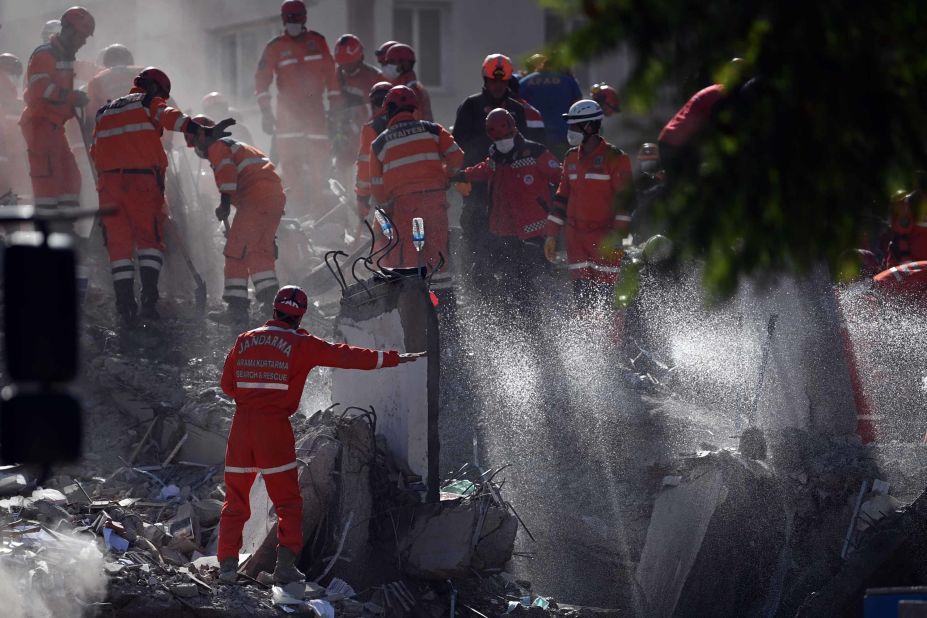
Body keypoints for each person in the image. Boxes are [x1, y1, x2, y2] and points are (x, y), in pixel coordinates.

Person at [217, 284, 425, 584]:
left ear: (273, 309)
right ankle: (285, 566)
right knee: (288, 502)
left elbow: (227, 386)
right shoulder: (301, 343)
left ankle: (226, 567)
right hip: (273, 430)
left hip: (241, 429)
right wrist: (394, 358)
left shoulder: (244, 340)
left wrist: (253, 395)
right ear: (300, 317)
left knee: (235, 499)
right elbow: (346, 355)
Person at [90, 67, 232, 325]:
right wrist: (201, 129)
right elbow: (171, 118)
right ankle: (148, 302)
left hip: (108, 184)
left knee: (118, 245)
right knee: (149, 240)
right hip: (142, 181)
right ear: (155, 88)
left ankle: (124, 306)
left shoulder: (104, 111)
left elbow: (94, 150)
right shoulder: (147, 101)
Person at [452, 54, 542, 288]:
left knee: (511, 237)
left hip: (508, 187)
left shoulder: (516, 109)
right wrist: (461, 176)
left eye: (502, 82)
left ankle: (513, 283)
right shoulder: (470, 106)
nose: (497, 86)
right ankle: (476, 282)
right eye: (493, 81)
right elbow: (457, 145)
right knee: (475, 231)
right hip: (478, 186)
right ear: (485, 79)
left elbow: (523, 146)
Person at [452, 108, 560, 299]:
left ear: (514, 129)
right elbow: (485, 169)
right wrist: (463, 174)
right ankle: (511, 319)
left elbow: (560, 177)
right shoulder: (495, 156)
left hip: (534, 231)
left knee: (529, 280)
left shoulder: (535, 152)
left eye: (506, 135)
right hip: (504, 231)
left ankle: (536, 322)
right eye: (498, 138)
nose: (503, 141)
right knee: (499, 277)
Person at [186, 115, 285, 324]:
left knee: (235, 251)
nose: (196, 148)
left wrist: (223, 204)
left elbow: (227, 174)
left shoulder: (217, 147)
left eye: (194, 141)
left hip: (256, 200)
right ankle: (272, 306)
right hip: (272, 199)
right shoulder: (236, 146)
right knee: (259, 251)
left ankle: (237, 310)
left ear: (201, 136)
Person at [369, 85, 463, 296]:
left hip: (404, 206)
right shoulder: (433, 130)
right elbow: (457, 157)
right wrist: (447, 176)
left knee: (409, 256)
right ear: (413, 107)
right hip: (435, 202)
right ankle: (445, 311)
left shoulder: (379, 143)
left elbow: (376, 185)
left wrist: (386, 205)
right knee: (438, 255)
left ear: (389, 110)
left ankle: (416, 307)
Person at [255, 0, 340, 219]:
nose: (293, 23)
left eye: (297, 18)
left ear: (304, 19)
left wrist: (336, 108)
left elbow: (331, 75)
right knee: (290, 162)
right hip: (287, 112)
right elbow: (261, 81)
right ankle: (295, 210)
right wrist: (265, 112)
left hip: (315, 110)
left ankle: (319, 211)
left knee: (318, 161)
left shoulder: (318, 42)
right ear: (284, 20)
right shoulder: (275, 47)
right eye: (289, 19)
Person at [544, 99, 635, 301]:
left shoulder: (616, 157)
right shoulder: (570, 158)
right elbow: (561, 199)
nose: (570, 130)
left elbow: (626, 203)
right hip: (575, 238)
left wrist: (620, 239)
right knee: (582, 296)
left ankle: (612, 334)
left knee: (607, 297)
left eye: (574, 125)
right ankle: (587, 333)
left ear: (590, 126)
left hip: (605, 239)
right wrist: (551, 235)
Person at [20, 6, 95, 217]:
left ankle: (66, 225)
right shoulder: (45, 54)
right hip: (40, 125)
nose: (83, 42)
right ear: (69, 31)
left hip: (54, 126)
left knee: (70, 176)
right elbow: (40, 89)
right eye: (82, 36)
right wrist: (72, 98)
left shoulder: (64, 57)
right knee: (47, 180)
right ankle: (50, 228)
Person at [331, 34, 381, 182]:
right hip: (345, 135)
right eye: (342, 64)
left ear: (360, 58)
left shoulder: (374, 78)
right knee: (340, 167)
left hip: (368, 134)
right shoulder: (337, 75)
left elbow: (375, 112)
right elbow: (334, 105)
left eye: (349, 64)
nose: (345, 68)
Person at [518, 53, 583, 158]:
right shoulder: (569, 82)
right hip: (563, 137)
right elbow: (579, 109)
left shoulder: (524, 83)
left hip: (533, 138)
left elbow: (517, 109)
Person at [354, 81, 392, 222]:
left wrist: (362, 197)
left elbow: (365, 165)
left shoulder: (372, 128)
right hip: (410, 190)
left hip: (382, 194)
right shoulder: (411, 124)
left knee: (383, 236)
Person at [381, 43, 432, 121]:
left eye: (391, 62)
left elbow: (415, 119)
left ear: (404, 64)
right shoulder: (410, 85)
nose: (388, 66)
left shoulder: (411, 90)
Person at [86, 44, 139, 118]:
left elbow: (91, 116)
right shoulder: (143, 74)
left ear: (105, 64)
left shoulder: (96, 81)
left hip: (111, 126)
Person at [0, 53, 26, 197]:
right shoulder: (20, 102)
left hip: (17, 163)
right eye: (11, 72)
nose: (14, 77)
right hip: (12, 163)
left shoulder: (20, 101)